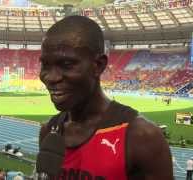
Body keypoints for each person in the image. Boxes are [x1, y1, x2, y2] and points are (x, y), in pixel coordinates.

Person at [39, 15, 173, 179]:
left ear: (98, 66)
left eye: (66, 64)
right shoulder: (48, 133)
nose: (51, 77)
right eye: (45, 65)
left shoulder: (141, 137)